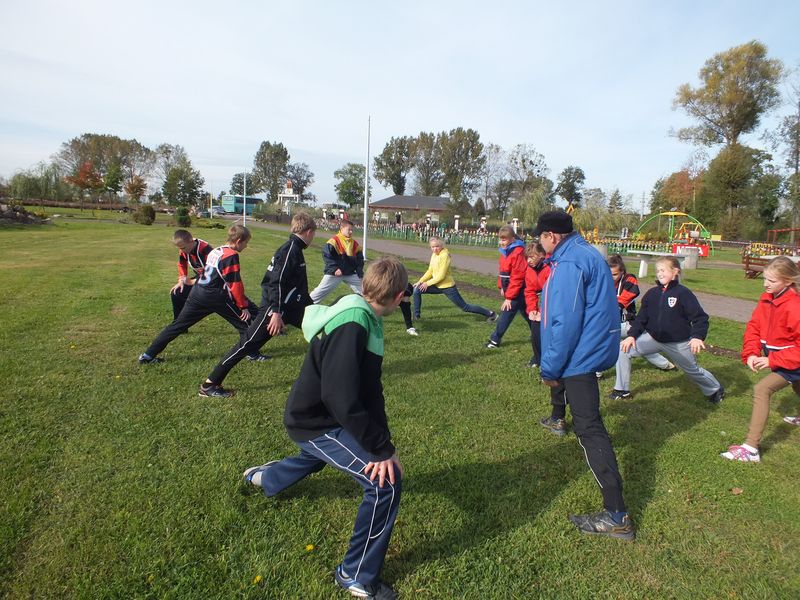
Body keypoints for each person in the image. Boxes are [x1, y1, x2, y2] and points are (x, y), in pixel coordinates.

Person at [242, 256, 407, 599]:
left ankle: (263, 477)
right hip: (316, 422)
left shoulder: (363, 315)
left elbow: (370, 392)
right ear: (400, 295)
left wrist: (384, 444)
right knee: (385, 484)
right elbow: (340, 397)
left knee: (318, 458)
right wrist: (379, 452)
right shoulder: (354, 323)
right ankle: (355, 574)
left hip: (319, 418)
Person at [535, 210, 635, 540]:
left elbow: (564, 322)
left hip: (579, 356)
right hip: (587, 352)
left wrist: (550, 369)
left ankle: (617, 515)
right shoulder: (587, 254)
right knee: (589, 426)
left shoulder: (570, 263)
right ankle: (616, 512)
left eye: (541, 237)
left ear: (551, 236)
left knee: (590, 429)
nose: (539, 242)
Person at [198, 213, 317, 397]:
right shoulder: (290, 250)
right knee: (246, 345)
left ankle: (328, 372)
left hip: (292, 308)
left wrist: (313, 308)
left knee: (321, 332)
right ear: (309, 232)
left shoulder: (295, 249)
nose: (313, 237)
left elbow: (298, 287)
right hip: (273, 310)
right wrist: (276, 313)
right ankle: (209, 384)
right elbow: (275, 282)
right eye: (314, 234)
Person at [138, 224, 264, 364]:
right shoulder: (231, 255)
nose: (246, 246)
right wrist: (243, 306)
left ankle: (147, 356)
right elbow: (235, 283)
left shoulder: (217, 250)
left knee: (177, 325)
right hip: (215, 297)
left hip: (197, 294)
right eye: (246, 243)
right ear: (239, 240)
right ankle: (252, 354)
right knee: (245, 324)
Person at [721, 256, 800, 462]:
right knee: (798, 385)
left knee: (762, 389)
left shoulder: (795, 306)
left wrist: (772, 361)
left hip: (793, 361)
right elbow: (754, 327)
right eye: (765, 279)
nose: (765, 284)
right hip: (786, 360)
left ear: (788, 281)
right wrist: (751, 353)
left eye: (772, 281)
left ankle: (751, 448)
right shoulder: (766, 298)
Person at [616, 257, 725, 404]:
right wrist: (631, 336)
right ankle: (621, 390)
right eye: (658, 271)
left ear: (675, 272)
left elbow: (700, 318)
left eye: (663, 270)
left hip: (678, 343)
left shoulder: (683, 293)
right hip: (653, 339)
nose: (659, 274)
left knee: (692, 371)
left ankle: (715, 389)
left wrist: (697, 336)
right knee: (623, 351)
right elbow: (641, 319)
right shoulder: (652, 294)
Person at [603, 254, 675, 381]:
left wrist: (610, 305)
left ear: (622, 272)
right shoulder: (604, 280)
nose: (611, 277)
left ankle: (597, 371)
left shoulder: (629, 279)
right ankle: (666, 365)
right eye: (608, 274)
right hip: (612, 322)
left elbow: (628, 296)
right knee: (638, 345)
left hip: (627, 323)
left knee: (605, 342)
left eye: (614, 274)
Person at [412, 237, 496, 324]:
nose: (434, 249)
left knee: (465, 307)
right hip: (436, 285)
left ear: (441, 245)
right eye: (432, 247)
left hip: (448, 287)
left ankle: (490, 313)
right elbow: (430, 271)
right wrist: (420, 281)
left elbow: (441, 276)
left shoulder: (445, 255)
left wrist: (427, 283)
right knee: (417, 289)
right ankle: (417, 316)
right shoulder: (434, 255)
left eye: (437, 246)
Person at [485, 226, 529, 349]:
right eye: (500, 239)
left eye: (504, 240)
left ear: (513, 239)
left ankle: (495, 340)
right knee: (528, 313)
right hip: (510, 289)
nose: (501, 242)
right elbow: (503, 271)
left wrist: (509, 297)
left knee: (506, 314)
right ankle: (541, 334)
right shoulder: (505, 251)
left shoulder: (518, 252)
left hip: (518, 289)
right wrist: (502, 286)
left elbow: (517, 277)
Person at [310, 219, 363, 304]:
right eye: (349, 229)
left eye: (352, 230)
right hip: (335, 274)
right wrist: (335, 269)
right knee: (319, 292)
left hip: (350, 273)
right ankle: (304, 306)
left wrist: (359, 271)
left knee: (365, 291)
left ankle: (368, 308)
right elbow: (327, 255)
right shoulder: (334, 241)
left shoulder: (355, 244)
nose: (351, 232)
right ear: (341, 228)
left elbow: (360, 259)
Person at [169, 229, 213, 326]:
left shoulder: (206, 249)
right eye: (179, 248)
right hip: (200, 279)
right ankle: (179, 324)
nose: (181, 250)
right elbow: (181, 264)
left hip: (215, 282)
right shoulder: (183, 250)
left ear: (191, 241)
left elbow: (213, 274)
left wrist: (192, 282)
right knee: (177, 293)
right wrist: (182, 279)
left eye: (183, 247)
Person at [524, 241, 549, 368]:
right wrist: (532, 309)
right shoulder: (529, 270)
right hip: (537, 306)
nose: (529, 260)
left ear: (541, 255)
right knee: (535, 332)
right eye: (527, 257)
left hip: (549, 305)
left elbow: (552, 293)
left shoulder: (549, 267)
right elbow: (529, 291)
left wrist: (543, 312)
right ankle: (538, 359)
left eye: (532, 257)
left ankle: (548, 361)